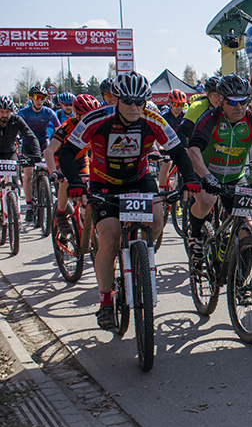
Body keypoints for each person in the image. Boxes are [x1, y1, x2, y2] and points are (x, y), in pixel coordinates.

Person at [58, 72, 201, 331]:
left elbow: (178, 150)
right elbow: (67, 152)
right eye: (129, 102)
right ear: (117, 99)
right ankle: (104, 302)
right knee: (111, 238)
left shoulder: (153, 118)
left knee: (157, 220)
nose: (135, 108)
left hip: (138, 178)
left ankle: (138, 258)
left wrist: (190, 178)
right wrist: (77, 183)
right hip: (104, 182)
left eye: (140, 102)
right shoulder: (96, 119)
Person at [186, 74, 252, 262]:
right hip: (207, 173)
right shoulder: (210, 118)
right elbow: (193, 149)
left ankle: (238, 279)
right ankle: (195, 234)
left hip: (235, 177)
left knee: (247, 227)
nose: (239, 107)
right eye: (232, 102)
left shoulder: (251, 121)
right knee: (206, 201)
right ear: (222, 100)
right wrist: (206, 176)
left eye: (243, 102)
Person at [44, 93, 101, 235]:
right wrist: (53, 172)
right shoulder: (67, 126)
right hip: (60, 159)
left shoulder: (97, 126)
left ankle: (84, 212)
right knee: (67, 182)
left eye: (93, 115)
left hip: (81, 159)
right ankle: (60, 214)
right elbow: (49, 151)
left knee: (90, 184)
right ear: (77, 115)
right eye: (86, 116)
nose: (90, 120)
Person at [18, 85, 61, 222]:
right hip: (27, 144)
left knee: (48, 165)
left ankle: (48, 188)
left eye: (42, 98)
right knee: (29, 174)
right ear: (31, 98)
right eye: (36, 97)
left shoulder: (48, 112)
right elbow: (17, 128)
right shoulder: (24, 113)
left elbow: (59, 129)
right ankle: (29, 206)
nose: (39, 101)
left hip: (43, 141)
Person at [176, 76, 221, 147]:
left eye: (221, 96)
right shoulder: (197, 107)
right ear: (208, 95)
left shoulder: (226, 107)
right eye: (216, 95)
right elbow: (182, 132)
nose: (219, 99)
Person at [0, 96, 40, 166]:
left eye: (7, 112)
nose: (4, 115)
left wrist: (37, 153)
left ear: (11, 112)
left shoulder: (16, 120)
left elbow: (30, 136)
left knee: (15, 175)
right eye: (2, 112)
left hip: (10, 153)